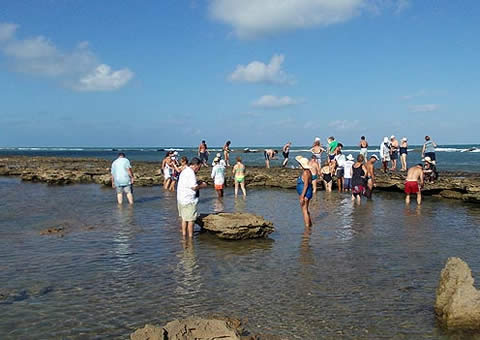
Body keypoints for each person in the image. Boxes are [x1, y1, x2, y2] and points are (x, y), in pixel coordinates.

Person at [177, 157, 207, 238]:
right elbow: (194, 187)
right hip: (189, 200)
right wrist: (202, 185)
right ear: (195, 165)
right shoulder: (191, 173)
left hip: (181, 199)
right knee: (191, 220)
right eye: (199, 167)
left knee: (184, 219)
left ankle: (184, 236)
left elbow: (188, 184)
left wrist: (197, 183)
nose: (199, 169)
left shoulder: (185, 171)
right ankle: (190, 238)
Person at [295, 156, 313, 227]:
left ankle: (307, 227)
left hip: (305, 193)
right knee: (306, 210)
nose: (299, 165)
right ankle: (310, 224)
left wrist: (302, 196)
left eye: (300, 164)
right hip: (307, 192)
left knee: (304, 210)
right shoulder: (308, 172)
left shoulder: (306, 173)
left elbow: (305, 185)